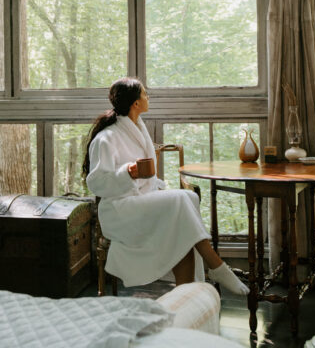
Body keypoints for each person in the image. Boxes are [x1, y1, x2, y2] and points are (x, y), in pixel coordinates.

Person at [82, 77, 248, 295]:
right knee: (181, 199)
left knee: (187, 204)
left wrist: (153, 187)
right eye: (144, 94)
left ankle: (185, 295)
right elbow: (96, 183)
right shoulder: (107, 138)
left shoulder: (138, 130)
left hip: (139, 203)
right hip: (119, 210)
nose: (148, 97)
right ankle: (215, 265)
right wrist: (129, 172)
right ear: (136, 103)